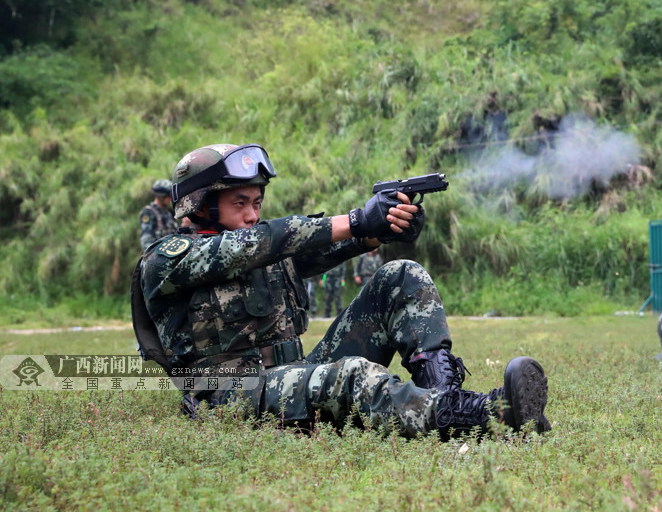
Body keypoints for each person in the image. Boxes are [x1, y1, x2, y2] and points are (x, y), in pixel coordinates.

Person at [131, 143, 550, 439]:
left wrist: (380, 230)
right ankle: (486, 415)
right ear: (200, 203)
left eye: (257, 203)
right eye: (240, 202)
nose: (252, 214)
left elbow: (314, 248)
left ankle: (444, 396)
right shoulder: (166, 259)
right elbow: (251, 246)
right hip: (229, 396)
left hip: (289, 376)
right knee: (352, 376)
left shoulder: (260, 247)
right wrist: (356, 219)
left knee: (400, 275)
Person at [139, 179, 178, 250]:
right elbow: (146, 239)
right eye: (167, 196)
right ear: (161, 196)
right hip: (158, 253)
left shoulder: (168, 212)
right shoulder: (149, 212)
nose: (169, 198)